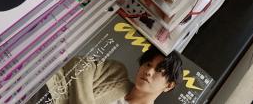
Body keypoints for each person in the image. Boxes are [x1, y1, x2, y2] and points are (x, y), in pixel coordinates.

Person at [47, 46, 182, 104]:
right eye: (148, 64)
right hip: (46, 89)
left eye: (159, 70)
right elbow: (79, 63)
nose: (149, 71)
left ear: (169, 85)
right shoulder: (117, 73)